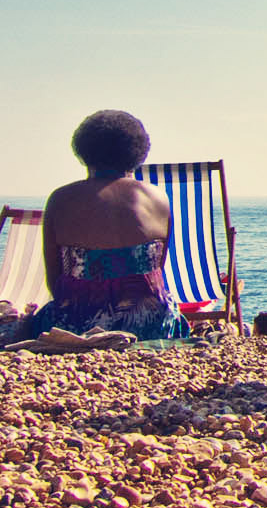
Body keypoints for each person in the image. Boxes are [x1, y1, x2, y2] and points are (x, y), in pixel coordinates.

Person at [23, 111, 189, 341]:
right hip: (150, 323)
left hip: (78, 323)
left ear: (83, 151)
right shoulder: (157, 199)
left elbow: (55, 279)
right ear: (138, 152)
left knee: (25, 325)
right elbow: (156, 270)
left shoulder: (60, 199)